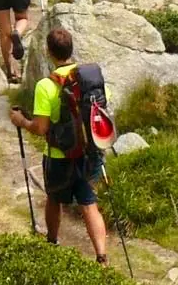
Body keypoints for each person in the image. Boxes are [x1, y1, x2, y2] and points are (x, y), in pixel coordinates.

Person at [10, 27, 109, 263]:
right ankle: (102, 257)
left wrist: (21, 121)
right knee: (89, 203)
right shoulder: (90, 79)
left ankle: (52, 243)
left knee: (54, 198)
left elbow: (41, 128)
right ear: (71, 49)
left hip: (58, 155)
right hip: (88, 152)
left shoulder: (46, 86)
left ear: (48, 52)